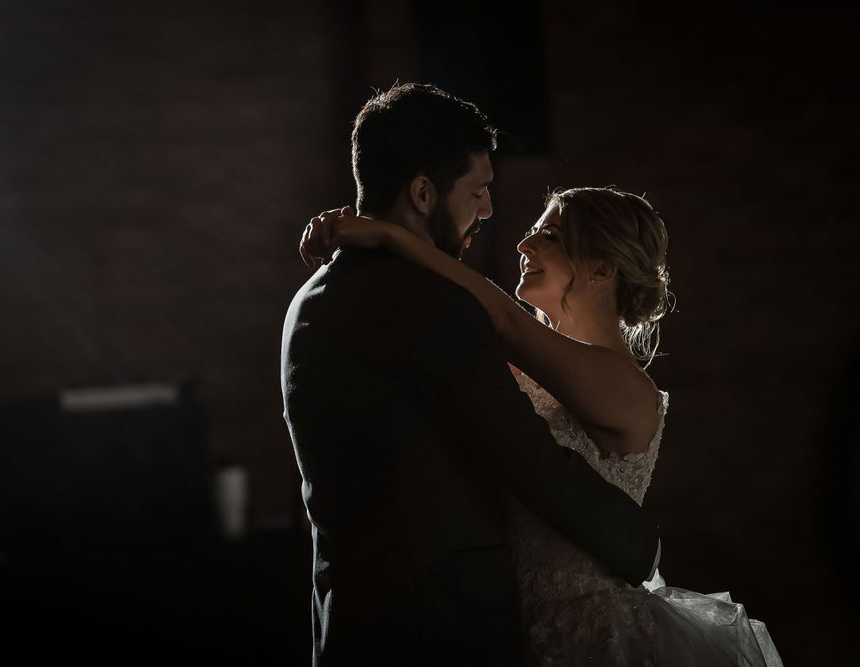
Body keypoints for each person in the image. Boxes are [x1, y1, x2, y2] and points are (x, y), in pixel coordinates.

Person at [301, 186, 784, 665]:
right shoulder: (519, 371)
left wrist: (390, 236)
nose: (523, 244)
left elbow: (505, 320)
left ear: (602, 268)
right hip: (508, 631)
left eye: (549, 236)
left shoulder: (626, 387)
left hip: (592, 640)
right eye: (533, 231)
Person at [281, 83, 660, 666]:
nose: (488, 212)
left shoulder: (310, 299)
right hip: (439, 628)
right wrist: (641, 546)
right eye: (478, 191)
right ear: (423, 193)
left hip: (350, 621)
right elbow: (527, 456)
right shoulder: (430, 307)